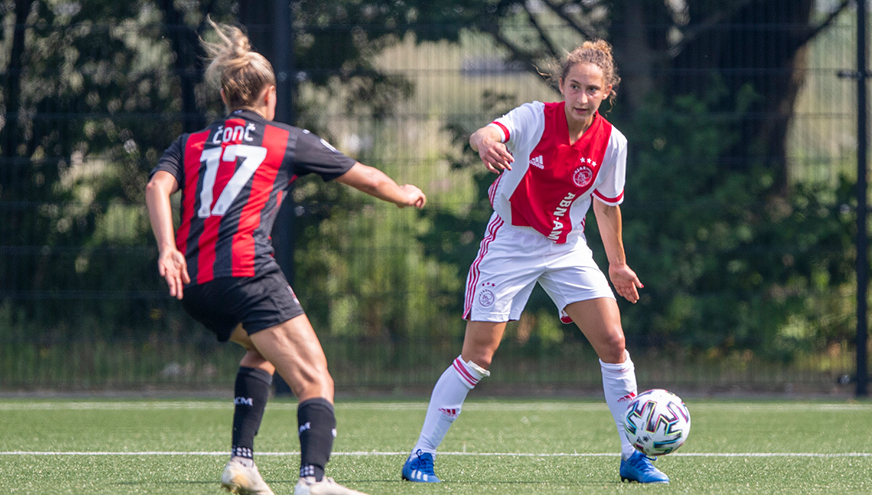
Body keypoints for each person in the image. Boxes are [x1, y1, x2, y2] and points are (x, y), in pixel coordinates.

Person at [146, 18, 426, 495]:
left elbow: (156, 186)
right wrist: (403, 193)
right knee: (317, 379)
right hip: (249, 274)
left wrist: (168, 248)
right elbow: (368, 178)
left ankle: (242, 462)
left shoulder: (190, 143)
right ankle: (313, 481)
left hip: (196, 283)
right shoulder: (286, 140)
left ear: (224, 99)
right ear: (270, 95)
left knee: (263, 352)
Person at [400, 40, 668, 485]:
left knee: (614, 344)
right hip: (510, 244)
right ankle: (421, 456)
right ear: (561, 85)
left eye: (592, 90)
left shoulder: (612, 143)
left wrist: (617, 265)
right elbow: (484, 134)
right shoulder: (533, 118)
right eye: (575, 87)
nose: (582, 98)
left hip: (567, 248)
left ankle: (633, 455)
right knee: (477, 358)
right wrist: (485, 143)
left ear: (608, 93)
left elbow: (606, 207)